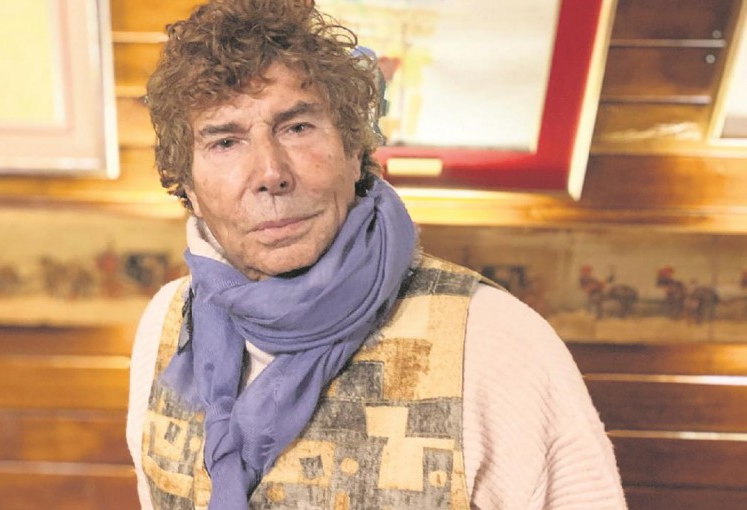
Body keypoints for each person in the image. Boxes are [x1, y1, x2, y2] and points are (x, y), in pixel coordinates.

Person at [126, 1, 627, 509]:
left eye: (297, 127)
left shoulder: (494, 339)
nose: (270, 173)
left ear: (354, 151)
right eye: (226, 142)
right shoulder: (167, 324)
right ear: (189, 186)